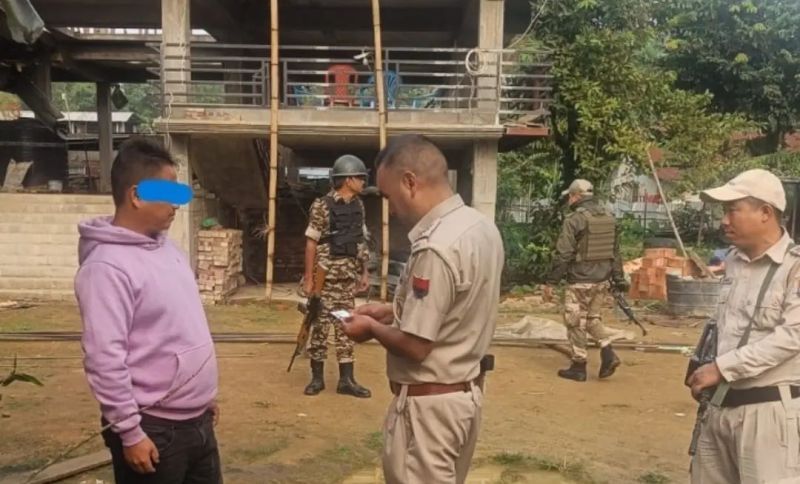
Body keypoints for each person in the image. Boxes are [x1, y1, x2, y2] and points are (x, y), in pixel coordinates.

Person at [340, 134, 504, 483]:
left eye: (389, 197)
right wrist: (392, 311)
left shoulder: (436, 247)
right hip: (463, 398)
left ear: (410, 182)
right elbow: (455, 307)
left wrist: (371, 329)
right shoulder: (480, 228)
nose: (391, 209)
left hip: (429, 411)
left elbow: (416, 346)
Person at [75, 138, 221, 483]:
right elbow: (104, 357)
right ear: (137, 196)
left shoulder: (168, 249)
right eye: (168, 193)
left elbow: (180, 329)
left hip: (197, 420)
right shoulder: (106, 268)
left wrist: (201, 397)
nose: (177, 205)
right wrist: (130, 432)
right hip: (153, 429)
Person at [686, 169, 800, 483]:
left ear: (765, 212)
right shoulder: (734, 262)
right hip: (720, 407)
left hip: (768, 415)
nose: (724, 220)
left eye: (733, 210)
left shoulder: (794, 267)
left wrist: (721, 369)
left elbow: (793, 336)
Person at [301, 154, 372, 398]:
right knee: (319, 328)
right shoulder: (322, 205)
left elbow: (360, 241)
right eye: (360, 178)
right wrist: (309, 279)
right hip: (324, 278)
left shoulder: (358, 206)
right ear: (348, 179)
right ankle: (317, 379)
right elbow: (311, 242)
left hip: (347, 280)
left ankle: (346, 380)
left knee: (346, 328)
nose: (363, 182)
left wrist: (364, 271)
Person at [547, 179, 627, 382]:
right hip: (602, 280)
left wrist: (551, 281)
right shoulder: (609, 217)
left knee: (574, 321)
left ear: (575, 196)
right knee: (592, 319)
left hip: (580, 280)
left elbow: (564, 253)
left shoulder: (574, 219)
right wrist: (618, 279)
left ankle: (578, 365)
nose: (569, 200)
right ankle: (608, 352)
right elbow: (615, 253)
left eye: (570, 196)